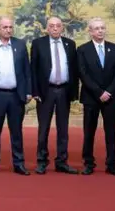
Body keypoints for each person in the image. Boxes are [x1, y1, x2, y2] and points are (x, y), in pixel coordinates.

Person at [0, 16, 32, 175]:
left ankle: (19, 163)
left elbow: (27, 71)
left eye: (10, 27)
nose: (8, 30)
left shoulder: (20, 45)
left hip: (16, 95)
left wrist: (28, 91)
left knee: (16, 131)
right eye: (5, 27)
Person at [30, 17, 79, 174]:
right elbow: (33, 70)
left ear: (62, 28)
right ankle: (42, 161)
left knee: (63, 129)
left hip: (64, 91)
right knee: (43, 129)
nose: (55, 28)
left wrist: (73, 93)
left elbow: (74, 70)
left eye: (58, 26)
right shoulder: (38, 44)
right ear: (47, 28)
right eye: (52, 26)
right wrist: (35, 92)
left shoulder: (70, 45)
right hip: (46, 92)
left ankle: (62, 161)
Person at [77, 17, 115, 176]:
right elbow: (83, 74)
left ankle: (112, 164)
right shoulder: (82, 50)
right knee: (89, 132)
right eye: (96, 28)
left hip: (111, 98)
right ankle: (88, 163)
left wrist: (108, 92)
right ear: (90, 31)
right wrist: (99, 92)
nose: (100, 31)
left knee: (111, 132)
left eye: (102, 28)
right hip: (91, 97)